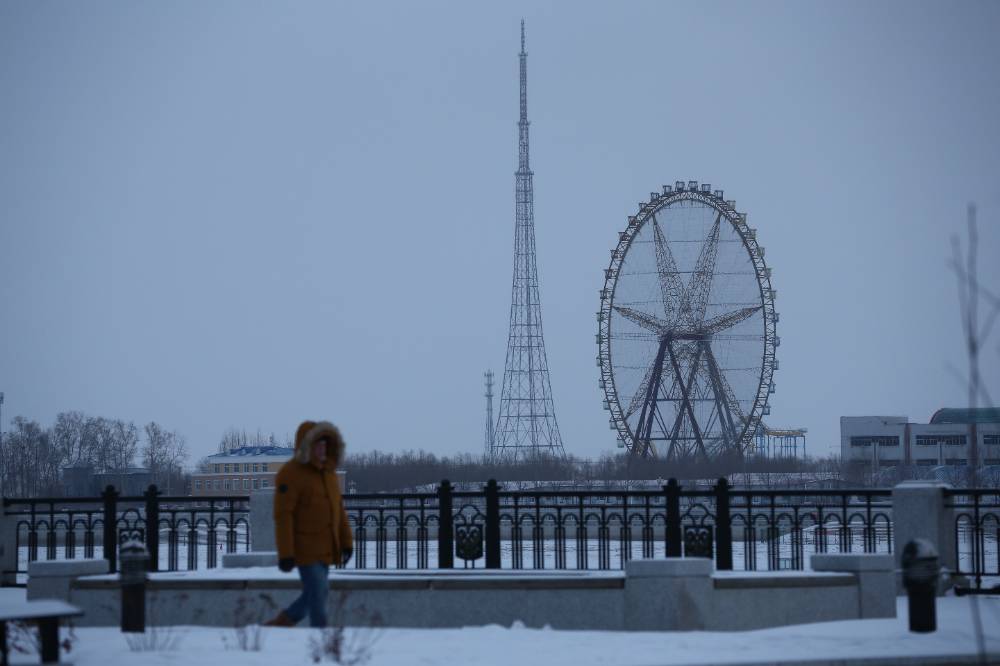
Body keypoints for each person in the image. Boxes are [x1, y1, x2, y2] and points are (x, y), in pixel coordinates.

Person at [264, 420, 353, 627]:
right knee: (318, 596)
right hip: (305, 550)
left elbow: (338, 510)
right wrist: (286, 554)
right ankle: (321, 641)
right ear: (307, 446)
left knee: (317, 592)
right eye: (318, 445)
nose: (323, 449)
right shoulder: (290, 474)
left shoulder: (328, 474)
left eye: (325, 444)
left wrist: (346, 543)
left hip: (326, 548)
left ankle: (284, 621)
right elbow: (283, 516)